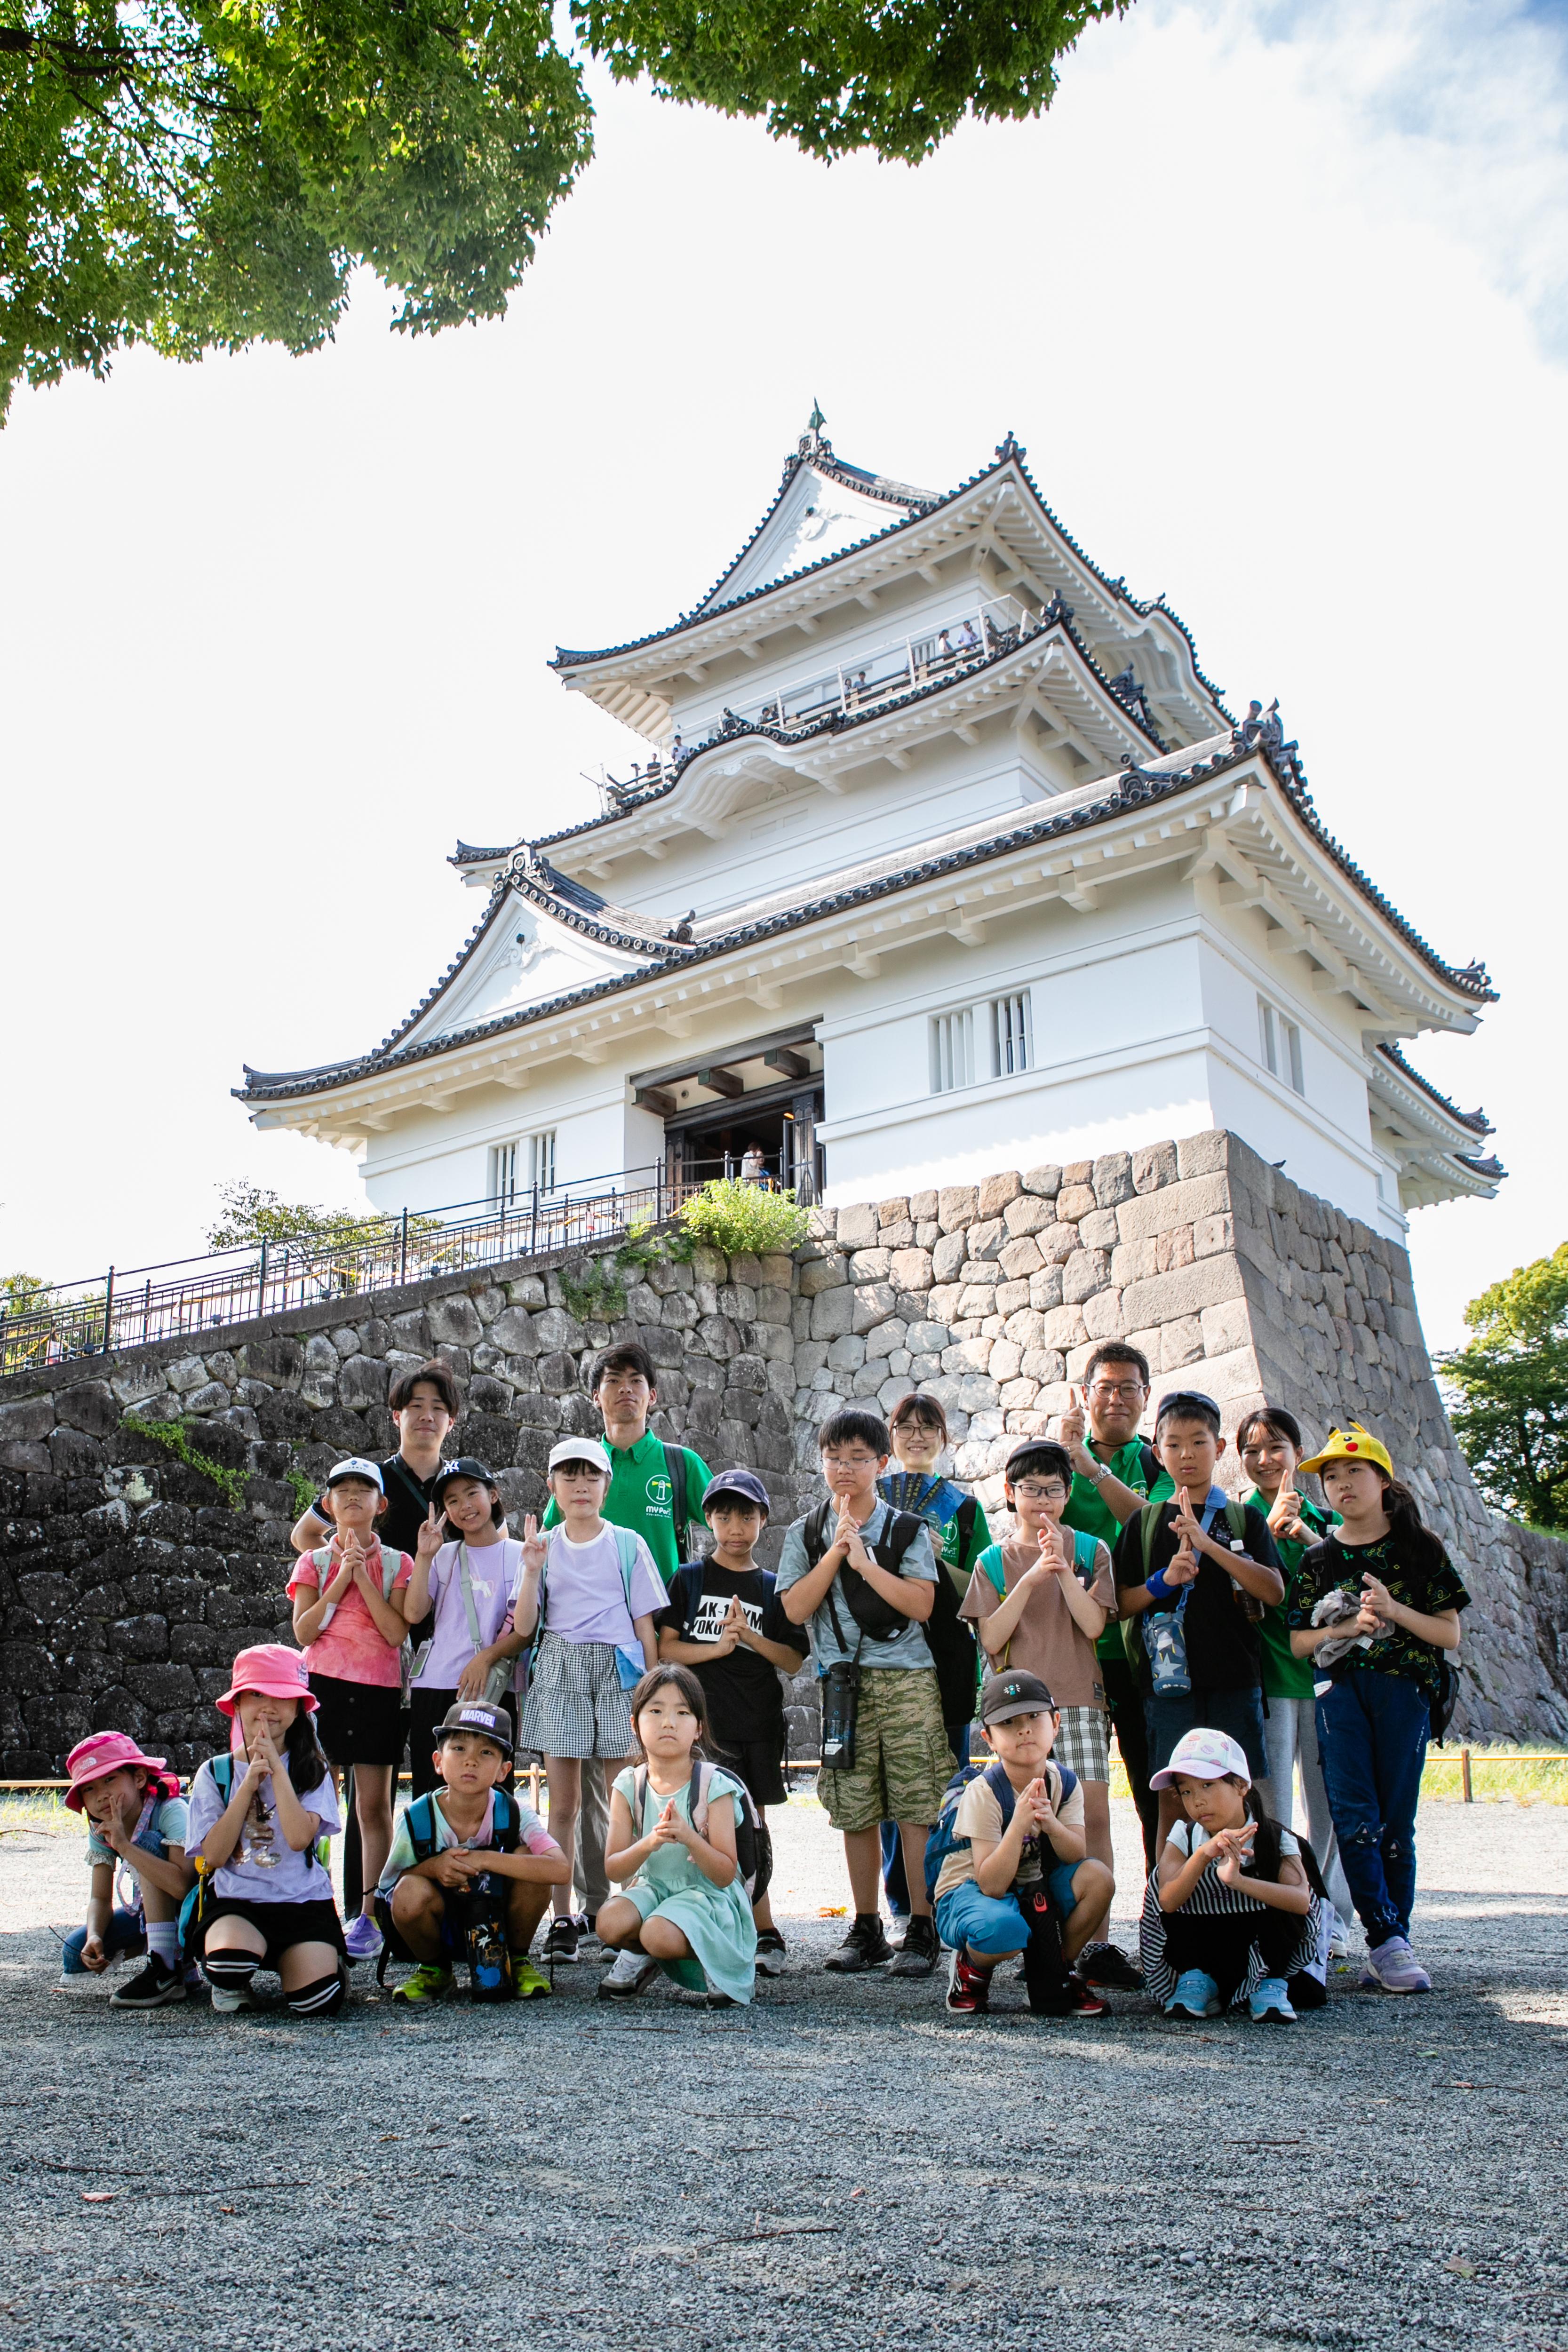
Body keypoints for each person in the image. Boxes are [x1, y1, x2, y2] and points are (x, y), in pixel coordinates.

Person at [539, 1343, 712, 1954]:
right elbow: (547, 1559)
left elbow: (725, 1521)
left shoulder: (678, 1463)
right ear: (596, 1396)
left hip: (652, 1639)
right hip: (576, 1653)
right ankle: (586, 1909)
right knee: (575, 1797)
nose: (625, 1390)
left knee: (635, 1784)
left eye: (636, 1380)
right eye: (612, 1380)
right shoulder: (581, 1465)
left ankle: (641, 1903)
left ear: (653, 1394)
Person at [1288, 1424, 1468, 1995]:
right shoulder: (1318, 1557)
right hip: (1338, 1693)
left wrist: (1394, 1609)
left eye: (1354, 1471)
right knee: (1354, 1817)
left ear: (1383, 1480)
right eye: (1331, 1476)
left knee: (1395, 1821)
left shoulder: (1420, 1548)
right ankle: (1387, 1938)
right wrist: (1342, 1629)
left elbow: (1449, 1633)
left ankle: (1393, 1941)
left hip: (1405, 1694)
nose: (1342, 1484)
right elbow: (1297, 1642)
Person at [775, 1406, 949, 1978]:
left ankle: (922, 1925)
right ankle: (867, 1925)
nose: (845, 1468)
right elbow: (795, 1608)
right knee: (855, 1805)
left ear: (882, 1463)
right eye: (834, 1457)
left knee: (917, 1802)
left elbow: (921, 1604)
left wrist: (866, 1563)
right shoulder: (805, 1532)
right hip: (842, 1683)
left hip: (907, 1680)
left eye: (858, 1457)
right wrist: (834, 1552)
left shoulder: (906, 1529)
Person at [287, 1357, 461, 1909]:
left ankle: (416, 1902)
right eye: (415, 1406)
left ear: (452, 1420)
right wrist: (345, 1565)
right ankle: (354, 1909)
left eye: (437, 1407)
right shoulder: (370, 1478)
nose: (426, 1416)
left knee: (429, 1776)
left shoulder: (460, 1483)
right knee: (355, 1793)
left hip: (441, 1643)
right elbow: (304, 1534)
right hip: (371, 1643)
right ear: (396, 1416)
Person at [960, 1439, 1121, 1965]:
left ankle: (1094, 1944)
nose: (1043, 1500)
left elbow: (1093, 1625)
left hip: (1078, 1699)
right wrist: (1030, 1578)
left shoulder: (1092, 1550)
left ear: (1069, 1494)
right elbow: (991, 1638)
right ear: (1011, 1494)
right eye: (1031, 1489)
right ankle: (1029, 1939)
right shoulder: (992, 1560)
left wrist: (1062, 1568)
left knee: (1091, 1818)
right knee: (1019, 1822)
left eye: (1054, 1489)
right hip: (1016, 1710)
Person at [651, 1468, 806, 1986]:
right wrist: (717, 1647)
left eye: (746, 1516)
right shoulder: (689, 1578)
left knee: (750, 1827)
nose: (735, 1527)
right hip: (700, 1729)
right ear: (708, 1520)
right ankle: (694, 1922)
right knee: (691, 1824)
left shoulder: (775, 1587)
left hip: (756, 1724)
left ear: (763, 1520)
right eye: (723, 1516)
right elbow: (666, 1648)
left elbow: (793, 1660)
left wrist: (749, 1638)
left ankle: (763, 1929)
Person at [513, 1436, 664, 1965]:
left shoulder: (628, 1543)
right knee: (564, 1805)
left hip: (620, 1670)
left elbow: (645, 1624)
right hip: (561, 1666)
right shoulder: (543, 1546)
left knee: (625, 1797)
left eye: (591, 1475)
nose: (580, 1485)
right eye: (569, 1475)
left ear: (607, 1484)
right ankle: (563, 1919)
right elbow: (525, 1626)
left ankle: (625, 1912)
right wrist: (531, 1569)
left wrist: (651, 1692)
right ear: (552, 1485)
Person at [1113, 1390, 1284, 1853]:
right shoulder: (1144, 1524)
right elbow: (1120, 1604)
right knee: (1172, 1797)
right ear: (1157, 1452)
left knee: (1239, 1792)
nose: (1186, 1454)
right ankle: (1169, 1894)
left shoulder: (1245, 1518)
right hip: (1166, 1686)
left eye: (1198, 1442)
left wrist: (1210, 1547)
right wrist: (1163, 1581)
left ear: (1220, 1447)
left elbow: (1273, 1591)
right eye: (1174, 1444)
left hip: (1235, 1679)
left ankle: (1245, 1886)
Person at [1057, 1341, 1173, 1979]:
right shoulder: (1056, 1459)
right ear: (1086, 1393)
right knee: (1072, 1799)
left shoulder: (1155, 1460)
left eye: (1130, 1387)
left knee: (1157, 1796)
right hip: (1071, 1654)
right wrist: (1068, 1458)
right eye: (1105, 1386)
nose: (1117, 1398)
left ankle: (1163, 1932)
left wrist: (1092, 1468)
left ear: (1146, 1397)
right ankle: (1076, 1939)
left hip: (1142, 1653)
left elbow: (1153, 1527)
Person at [1235, 1406, 1355, 1942]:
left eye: (1276, 1447)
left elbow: (1356, 1579)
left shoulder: (1328, 1520)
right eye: (1252, 1450)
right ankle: (1280, 1911)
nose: (1264, 1459)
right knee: (1271, 1805)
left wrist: (1304, 1531)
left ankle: (1330, 1917)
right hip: (1268, 1679)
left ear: (1299, 1454)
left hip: (1330, 1678)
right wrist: (1265, 1532)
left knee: (1330, 1803)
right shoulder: (1238, 1519)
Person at [287, 1457, 413, 1964]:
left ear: (381, 1504)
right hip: (323, 1686)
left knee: (373, 1806)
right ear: (329, 1503)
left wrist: (364, 1577)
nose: (354, 1496)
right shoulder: (313, 1563)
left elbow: (395, 1632)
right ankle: (314, 1906)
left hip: (380, 1687)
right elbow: (305, 1631)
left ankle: (370, 1914)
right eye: (343, 1490)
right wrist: (343, 1576)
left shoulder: (399, 1563)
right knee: (315, 1800)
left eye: (365, 1489)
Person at [934, 1670, 1111, 2019]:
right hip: (972, 1892)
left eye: (1034, 1717)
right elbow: (991, 1884)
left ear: (1055, 1723)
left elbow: (1076, 1855)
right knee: (1005, 1930)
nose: (1024, 1730)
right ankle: (972, 1970)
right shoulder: (984, 1792)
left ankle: (1054, 1972)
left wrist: (1051, 1824)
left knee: (1098, 1878)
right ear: (988, 1738)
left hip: (1032, 1885)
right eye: (1009, 1723)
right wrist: (1017, 1825)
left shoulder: (1064, 1781)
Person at [184, 1645, 346, 2017]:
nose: (269, 1707)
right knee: (228, 1964)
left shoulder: (314, 1769)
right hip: (237, 1902)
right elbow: (214, 1855)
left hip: (303, 1903)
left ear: (299, 1707)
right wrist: (246, 1787)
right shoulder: (215, 1772)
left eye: (282, 1696)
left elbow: (299, 1838)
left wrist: (276, 1768)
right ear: (237, 1704)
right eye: (256, 1695)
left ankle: (320, 1965)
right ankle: (234, 1982)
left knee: (316, 2003)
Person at [876, 1392, 990, 1919]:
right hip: (884, 1650)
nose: (917, 1437)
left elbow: (984, 1589)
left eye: (928, 1428)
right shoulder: (871, 1496)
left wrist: (936, 1562)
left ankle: (948, 1891)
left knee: (949, 1775)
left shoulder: (962, 1509)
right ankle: (900, 1900)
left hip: (947, 1653)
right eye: (906, 1427)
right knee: (887, 1778)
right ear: (891, 1436)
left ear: (945, 1438)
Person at [375, 1700, 567, 2005]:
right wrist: (434, 1868)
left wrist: (484, 1859)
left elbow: (560, 1868)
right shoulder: (416, 1818)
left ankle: (517, 1960)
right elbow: (389, 1888)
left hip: (500, 1924)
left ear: (504, 1770)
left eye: (486, 1753)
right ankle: (435, 1969)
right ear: (438, 1761)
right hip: (441, 1925)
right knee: (408, 1891)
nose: (471, 1761)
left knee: (530, 1859)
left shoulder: (515, 1813)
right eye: (459, 1749)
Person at [598, 1665, 758, 2008]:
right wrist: (649, 1842)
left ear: (698, 1728)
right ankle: (642, 1954)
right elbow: (614, 1869)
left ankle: (715, 1957)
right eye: (656, 1711)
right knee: (609, 1923)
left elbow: (724, 1875)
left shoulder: (713, 1785)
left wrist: (690, 1837)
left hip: (708, 1896)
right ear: (635, 1724)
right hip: (654, 1888)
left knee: (657, 1934)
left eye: (682, 1713)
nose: (668, 1722)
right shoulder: (629, 1784)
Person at [1144, 1727, 1322, 2024]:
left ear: (1241, 1785)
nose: (1197, 1801)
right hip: (1205, 1950)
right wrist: (1203, 1855)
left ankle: (1270, 1983)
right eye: (1186, 1791)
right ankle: (1198, 1979)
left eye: (1208, 1786)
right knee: (1164, 1879)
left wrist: (1238, 1881)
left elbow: (1301, 1902)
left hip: (1262, 1953)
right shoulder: (1184, 1837)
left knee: (1279, 1906)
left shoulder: (1276, 1839)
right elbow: (1168, 1901)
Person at [401, 1458, 529, 1798]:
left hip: (492, 1686)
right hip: (436, 1684)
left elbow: (527, 1629)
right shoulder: (441, 1555)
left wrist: (485, 1658)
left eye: (472, 1493)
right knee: (432, 1790)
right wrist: (424, 1555)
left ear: (493, 1495)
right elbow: (414, 1612)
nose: (465, 1506)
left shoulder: (520, 1555)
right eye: (452, 1501)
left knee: (492, 1791)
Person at [58, 1732, 193, 2009]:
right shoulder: (101, 1828)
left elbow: (182, 1886)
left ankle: (165, 1969)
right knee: (75, 1953)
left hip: (197, 1910)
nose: (102, 1795)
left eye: (110, 1779)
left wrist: (125, 1846)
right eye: (89, 1789)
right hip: (151, 1911)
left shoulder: (171, 1810)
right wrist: (95, 1936)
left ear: (140, 1778)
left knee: (146, 1846)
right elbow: (99, 1898)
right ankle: (179, 1964)